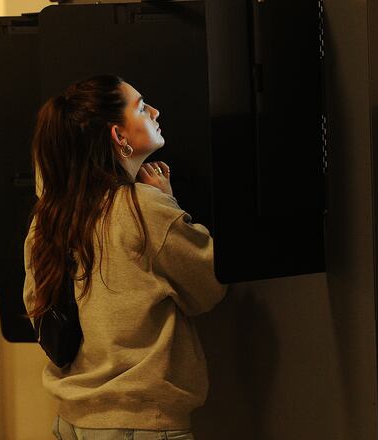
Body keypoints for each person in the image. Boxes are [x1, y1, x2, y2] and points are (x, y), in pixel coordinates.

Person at [22, 75, 227, 439]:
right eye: (141, 105)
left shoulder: (46, 218)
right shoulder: (144, 208)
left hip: (70, 421)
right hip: (140, 425)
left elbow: (34, 304)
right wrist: (167, 202)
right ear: (119, 137)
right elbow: (210, 286)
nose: (155, 111)